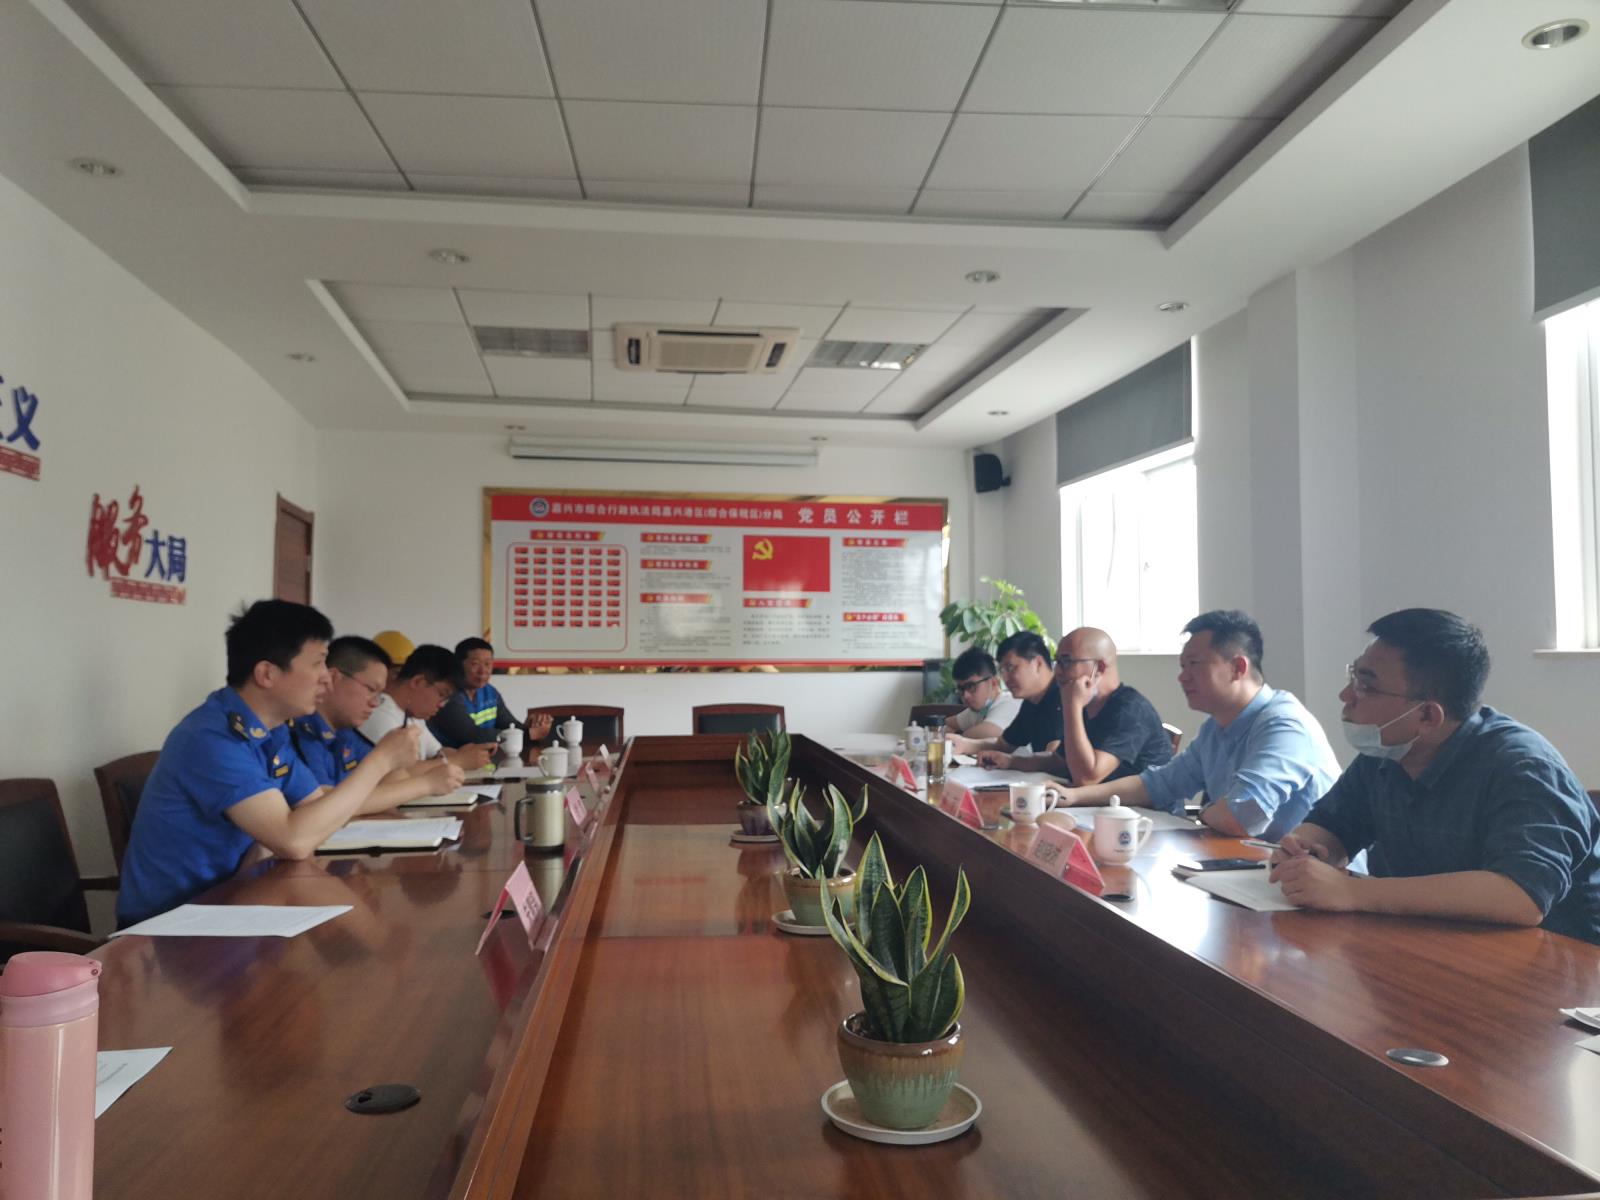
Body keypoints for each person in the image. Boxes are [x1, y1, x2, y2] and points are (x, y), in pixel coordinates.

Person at [1271, 609, 1600, 943]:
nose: (1346, 695)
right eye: (1353, 676)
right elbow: (1333, 826)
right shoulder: (1385, 753)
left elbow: (1521, 897)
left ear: (1427, 715)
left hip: (1558, 960)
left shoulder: (1524, 767)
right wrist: (1303, 851)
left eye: (1365, 686)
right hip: (1433, 943)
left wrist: (1352, 891)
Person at [117, 600, 422, 927]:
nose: (326, 678)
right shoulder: (211, 737)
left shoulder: (271, 732)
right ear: (267, 674)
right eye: (318, 663)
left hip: (237, 903)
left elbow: (318, 809)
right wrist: (381, 761)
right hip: (168, 929)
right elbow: (294, 840)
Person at [1055, 610, 1339, 842]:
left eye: (1193, 664)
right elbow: (1158, 784)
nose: (1183, 677)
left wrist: (1204, 814)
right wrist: (1073, 796)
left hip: (1321, 877)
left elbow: (1239, 817)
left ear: (1238, 668)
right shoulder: (1215, 728)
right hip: (1257, 867)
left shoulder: (1284, 725)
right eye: (1182, 666)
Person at [287, 635, 465, 804]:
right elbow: (322, 804)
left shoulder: (346, 733)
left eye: (379, 694)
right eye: (371, 689)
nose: (375, 703)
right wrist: (425, 784)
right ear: (333, 678)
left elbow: (394, 779)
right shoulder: (302, 733)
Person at [1006, 627, 1173, 784]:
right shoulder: (1088, 706)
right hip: (1098, 803)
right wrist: (1011, 761)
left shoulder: (1130, 709)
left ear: (1099, 667)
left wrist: (1072, 706)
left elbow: (1086, 777)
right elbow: (1059, 761)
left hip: (1140, 806)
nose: (1057, 672)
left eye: (1066, 662)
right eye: (1057, 662)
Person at [358, 643, 495, 770]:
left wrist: (467, 753)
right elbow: (399, 775)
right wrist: (459, 760)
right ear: (418, 682)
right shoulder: (380, 715)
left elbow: (437, 753)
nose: (441, 705)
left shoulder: (413, 716)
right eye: (442, 694)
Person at [950, 632, 1062, 766]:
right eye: (1002, 670)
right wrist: (964, 744)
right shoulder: (1031, 702)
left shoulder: (1062, 697)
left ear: (1037, 663)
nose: (1005, 678)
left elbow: (1054, 761)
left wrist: (1011, 762)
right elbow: (1004, 744)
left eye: (1010, 668)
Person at [427, 637, 552, 750]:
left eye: (487, 664)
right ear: (459, 665)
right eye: (475, 664)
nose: (483, 671)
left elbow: (509, 725)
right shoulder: (447, 695)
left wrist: (531, 726)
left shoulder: (490, 692)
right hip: (450, 761)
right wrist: (528, 734)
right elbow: (472, 736)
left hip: (484, 760)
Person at [941, 647, 1022, 740]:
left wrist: (957, 736)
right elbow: (945, 723)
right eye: (961, 689)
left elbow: (988, 732)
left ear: (994, 683)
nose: (965, 695)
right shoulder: (977, 710)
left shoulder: (1010, 702)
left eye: (971, 686)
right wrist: (955, 734)